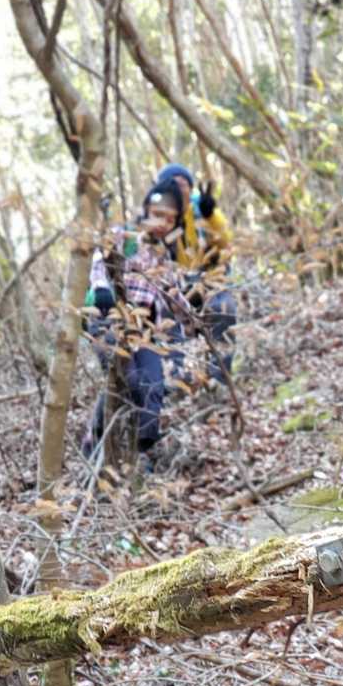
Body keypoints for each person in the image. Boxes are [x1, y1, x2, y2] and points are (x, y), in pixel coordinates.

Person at [83, 163, 236, 468]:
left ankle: (142, 450)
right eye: (158, 215)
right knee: (126, 377)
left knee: (153, 383)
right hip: (110, 318)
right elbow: (100, 261)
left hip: (145, 329)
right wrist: (101, 290)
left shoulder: (164, 256)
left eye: (170, 219)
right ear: (146, 210)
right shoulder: (124, 236)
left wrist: (193, 318)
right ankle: (95, 442)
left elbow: (172, 293)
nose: (163, 223)